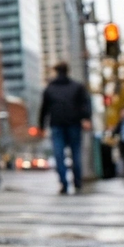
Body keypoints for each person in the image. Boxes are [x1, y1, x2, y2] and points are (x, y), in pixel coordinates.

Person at [38, 61, 91, 194]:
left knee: (59, 155)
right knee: (76, 154)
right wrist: (85, 118)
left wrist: (41, 126)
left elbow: (44, 109)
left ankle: (64, 183)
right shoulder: (77, 86)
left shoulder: (50, 88)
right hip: (74, 124)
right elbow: (85, 104)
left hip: (57, 125)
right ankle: (77, 182)